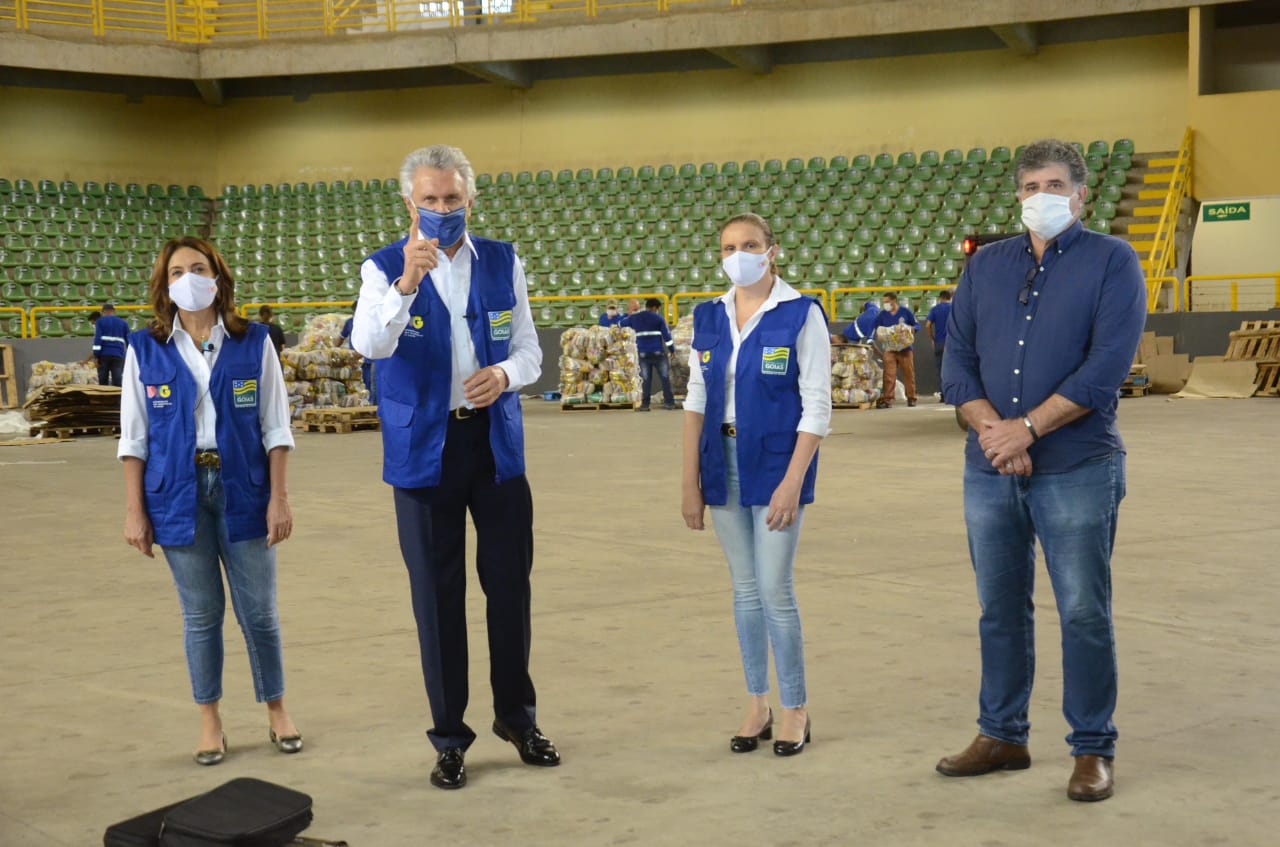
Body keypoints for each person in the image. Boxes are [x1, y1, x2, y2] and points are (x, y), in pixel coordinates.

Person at [938, 139, 1146, 803]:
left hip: (1078, 465)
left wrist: (1028, 428)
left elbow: (1106, 367)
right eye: (1029, 186)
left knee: (1084, 610)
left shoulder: (1114, 261)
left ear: (1081, 195)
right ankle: (1002, 733)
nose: (1040, 197)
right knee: (998, 608)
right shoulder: (985, 267)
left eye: (1054, 184)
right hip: (990, 467)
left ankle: (1092, 748)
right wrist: (995, 431)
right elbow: (957, 362)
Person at [351, 144, 557, 791]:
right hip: (423, 454)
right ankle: (449, 737)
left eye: (453, 198)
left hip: (494, 447)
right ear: (409, 203)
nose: (443, 210)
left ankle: (517, 718)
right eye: (430, 200)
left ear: (472, 197)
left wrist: (504, 373)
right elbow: (369, 344)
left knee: (510, 588)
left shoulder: (502, 260)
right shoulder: (382, 268)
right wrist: (406, 284)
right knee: (437, 599)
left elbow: (529, 349)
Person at [118, 236, 302, 766]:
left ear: (218, 277)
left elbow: (276, 427)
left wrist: (279, 499)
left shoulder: (254, 341)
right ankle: (210, 720)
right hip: (176, 495)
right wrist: (135, 511)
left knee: (260, 614)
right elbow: (134, 439)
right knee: (201, 616)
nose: (188, 278)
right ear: (164, 285)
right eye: (176, 271)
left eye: (198, 268)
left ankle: (277, 709)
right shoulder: (144, 348)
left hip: (244, 488)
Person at [681, 212, 831, 758]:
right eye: (727, 246)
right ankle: (757, 703)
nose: (737, 254)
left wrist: (793, 481)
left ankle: (796, 707)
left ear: (772, 251)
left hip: (775, 464)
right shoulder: (709, 316)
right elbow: (696, 399)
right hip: (720, 461)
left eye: (749, 244)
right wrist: (689, 481)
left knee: (774, 589)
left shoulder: (799, 314)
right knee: (744, 590)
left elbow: (817, 405)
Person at [622, 297, 676, 411]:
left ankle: (645, 405)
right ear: (655, 307)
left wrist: (628, 314)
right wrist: (672, 350)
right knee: (665, 378)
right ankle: (669, 403)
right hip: (658, 353)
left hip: (642, 354)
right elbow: (667, 337)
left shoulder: (635, 317)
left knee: (645, 380)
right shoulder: (659, 318)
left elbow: (620, 324)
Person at [874, 292, 919, 408]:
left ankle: (911, 398)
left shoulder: (906, 312)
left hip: (905, 349)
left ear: (894, 301)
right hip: (890, 349)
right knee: (889, 374)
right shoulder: (882, 315)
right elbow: (877, 329)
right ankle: (888, 399)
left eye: (887, 302)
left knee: (909, 373)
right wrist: (880, 336)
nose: (885, 304)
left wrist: (910, 329)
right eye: (884, 302)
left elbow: (917, 326)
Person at [339, 302, 376, 404]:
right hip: (355, 361)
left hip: (369, 360)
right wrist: (332, 351)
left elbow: (372, 341)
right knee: (356, 385)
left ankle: (371, 405)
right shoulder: (350, 322)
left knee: (370, 385)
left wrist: (359, 354)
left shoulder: (371, 322)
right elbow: (341, 338)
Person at [93, 303, 130, 387]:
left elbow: (97, 339)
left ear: (103, 312)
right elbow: (129, 341)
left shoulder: (100, 321)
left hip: (103, 355)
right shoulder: (123, 323)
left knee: (103, 381)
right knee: (117, 379)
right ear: (114, 312)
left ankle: (104, 399)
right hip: (118, 355)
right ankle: (118, 398)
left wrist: (96, 355)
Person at [926, 290, 953, 400]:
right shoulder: (954, 308)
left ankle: (944, 395)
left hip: (939, 342)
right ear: (950, 297)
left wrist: (932, 338)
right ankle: (954, 394)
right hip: (953, 343)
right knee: (954, 369)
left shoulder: (935, 309)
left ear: (940, 298)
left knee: (941, 370)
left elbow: (927, 325)